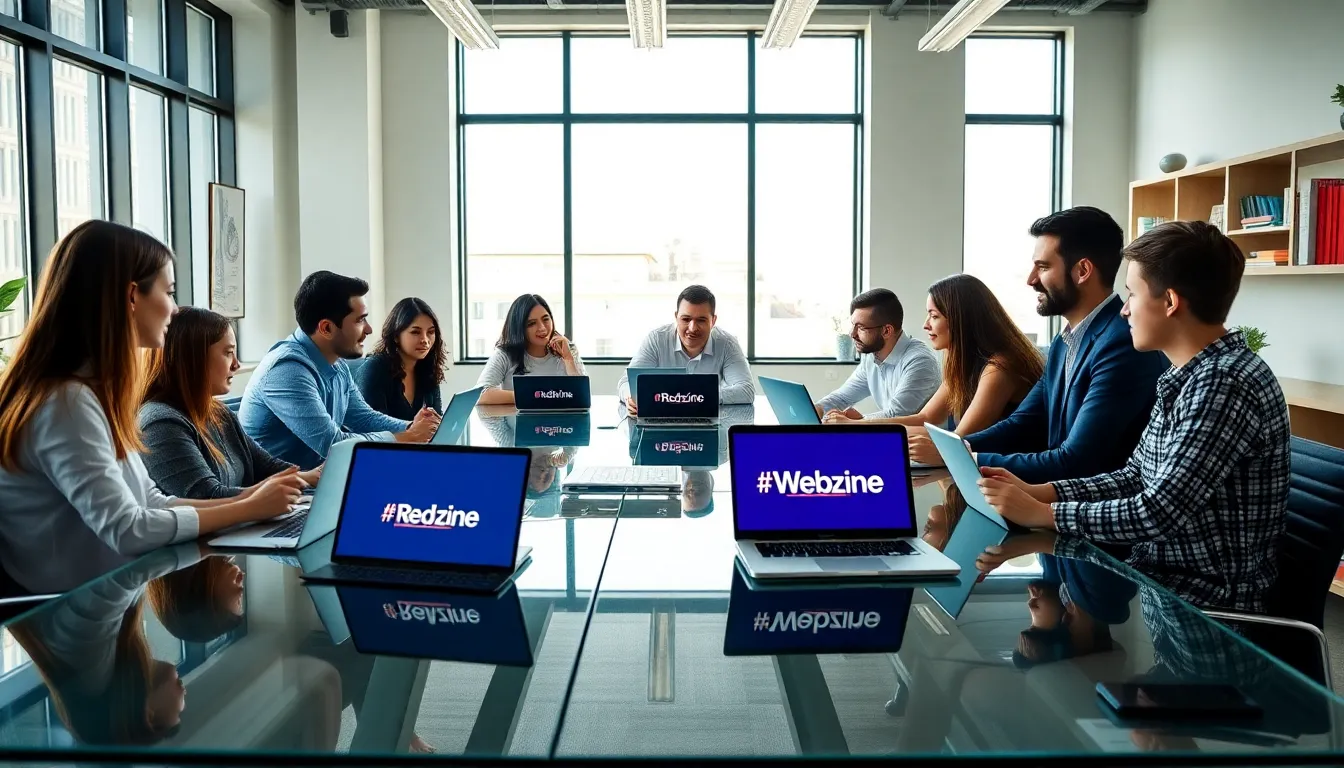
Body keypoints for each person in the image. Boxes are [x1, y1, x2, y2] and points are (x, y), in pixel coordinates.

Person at [977, 221, 1291, 614]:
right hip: (1155, 589)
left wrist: (1045, 513)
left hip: (1205, 611)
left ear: (1170, 302)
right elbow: (1135, 476)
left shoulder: (1224, 383)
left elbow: (1158, 512)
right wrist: (1041, 491)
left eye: (1131, 294)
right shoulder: (1186, 375)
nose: (1124, 309)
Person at [0, 221, 303, 595]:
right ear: (131, 296)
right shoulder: (66, 402)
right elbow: (128, 529)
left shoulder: (90, 395)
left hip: (106, 604)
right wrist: (248, 509)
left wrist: (250, 499)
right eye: (169, 292)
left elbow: (151, 501)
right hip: (70, 613)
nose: (174, 309)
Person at [959, 207, 1169, 484]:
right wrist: (955, 447)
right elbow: (1023, 422)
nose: (1031, 279)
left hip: (1093, 505)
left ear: (1083, 271)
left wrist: (963, 458)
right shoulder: (1063, 342)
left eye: (1043, 267)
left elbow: (1075, 461)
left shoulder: (1123, 344)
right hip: (1054, 497)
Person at [240, 271, 439, 470]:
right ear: (326, 328)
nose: (369, 329)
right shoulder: (286, 370)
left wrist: (413, 427)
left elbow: (364, 418)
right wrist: (405, 437)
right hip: (280, 486)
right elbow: (333, 445)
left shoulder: (336, 363)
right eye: (360, 320)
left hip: (320, 479)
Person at [835, 276, 1044, 451]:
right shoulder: (962, 365)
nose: (925, 325)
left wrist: (859, 426)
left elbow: (959, 439)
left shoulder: (999, 368)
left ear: (960, 320)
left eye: (934, 316)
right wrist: (858, 425)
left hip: (1015, 479)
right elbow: (926, 418)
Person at [140, 307, 322, 499]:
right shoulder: (160, 424)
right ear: (192, 358)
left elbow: (266, 466)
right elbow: (206, 496)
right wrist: (273, 493)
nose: (236, 364)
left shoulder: (217, 412)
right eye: (228, 353)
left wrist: (314, 476)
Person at [618, 285, 754, 414]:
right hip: (661, 417)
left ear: (713, 321)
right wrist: (630, 397)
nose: (692, 328)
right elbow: (626, 383)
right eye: (686, 319)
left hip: (708, 418)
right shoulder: (656, 340)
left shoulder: (727, 344)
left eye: (701, 320)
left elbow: (746, 391)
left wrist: (698, 397)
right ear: (676, 317)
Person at [815, 288, 940, 422]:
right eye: (853, 325)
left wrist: (854, 422)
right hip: (895, 433)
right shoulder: (872, 357)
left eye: (861, 328)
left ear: (886, 331)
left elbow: (896, 415)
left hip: (916, 435)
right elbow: (841, 398)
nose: (852, 334)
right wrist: (815, 409)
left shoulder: (920, 361)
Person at [477, 294, 584, 406]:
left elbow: (581, 396)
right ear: (519, 328)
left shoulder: (567, 350)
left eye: (546, 319)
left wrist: (568, 359)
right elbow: (480, 395)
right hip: (519, 417)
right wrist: (533, 395)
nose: (542, 328)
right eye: (531, 323)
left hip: (562, 417)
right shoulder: (505, 355)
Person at [354, 297, 446, 420]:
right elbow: (371, 424)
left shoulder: (428, 369)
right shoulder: (375, 369)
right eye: (415, 332)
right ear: (396, 336)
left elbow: (437, 417)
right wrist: (414, 427)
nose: (425, 340)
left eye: (430, 332)